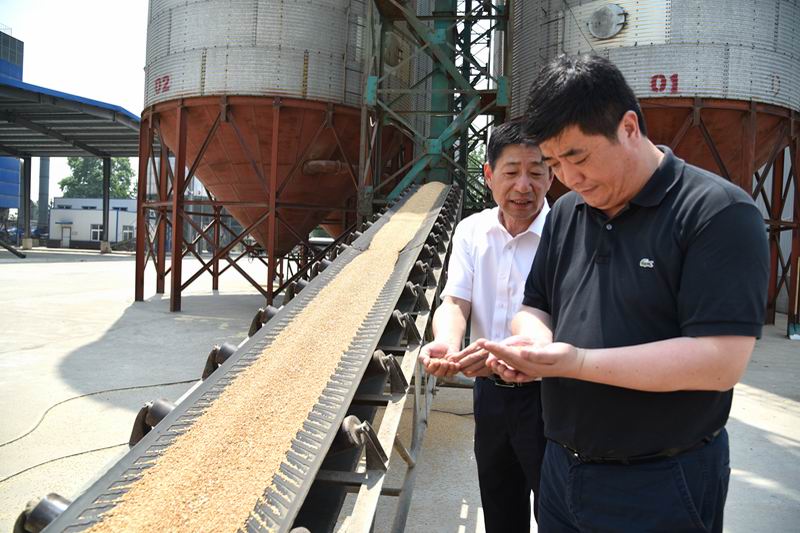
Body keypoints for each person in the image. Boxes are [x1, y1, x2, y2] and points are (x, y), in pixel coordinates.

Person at [478, 54, 769, 532]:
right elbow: (536, 306)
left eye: (578, 157)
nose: (570, 178)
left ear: (629, 127)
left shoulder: (716, 213)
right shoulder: (568, 212)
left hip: (660, 480)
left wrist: (575, 362)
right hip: (561, 469)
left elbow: (720, 361)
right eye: (555, 163)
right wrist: (532, 344)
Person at [419, 119, 553, 532]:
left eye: (536, 172)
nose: (524, 186)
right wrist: (446, 343)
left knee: (557, 512)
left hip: (550, 398)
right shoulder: (472, 231)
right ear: (489, 174)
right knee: (500, 510)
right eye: (512, 172)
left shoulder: (565, 234)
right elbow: (455, 300)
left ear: (552, 175)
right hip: (489, 396)